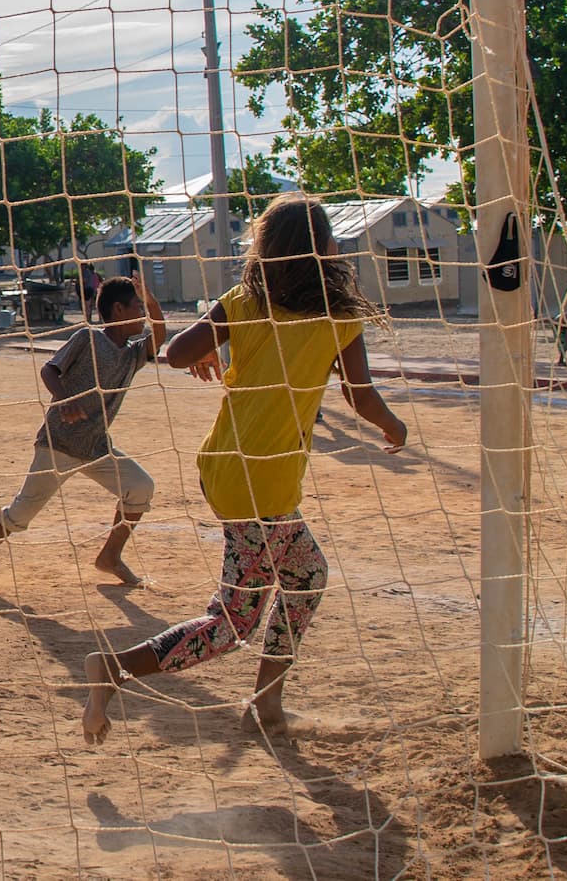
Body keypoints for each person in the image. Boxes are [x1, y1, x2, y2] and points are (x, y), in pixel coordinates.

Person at [81, 196, 407, 744]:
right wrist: (393, 427)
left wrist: (211, 348)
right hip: (264, 478)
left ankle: (266, 700)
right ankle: (117, 669)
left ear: (268, 252)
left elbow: (177, 354)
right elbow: (360, 393)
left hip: (226, 468)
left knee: (303, 578)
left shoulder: (244, 302)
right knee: (235, 620)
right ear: (322, 251)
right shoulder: (339, 316)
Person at [0, 274, 166, 589]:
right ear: (119, 310)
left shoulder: (133, 354)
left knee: (140, 487)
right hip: (59, 444)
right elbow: (49, 369)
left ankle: (110, 557)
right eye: (139, 307)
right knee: (21, 512)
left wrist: (150, 299)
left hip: (96, 447)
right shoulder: (88, 338)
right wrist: (65, 400)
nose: (144, 315)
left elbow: (160, 336)